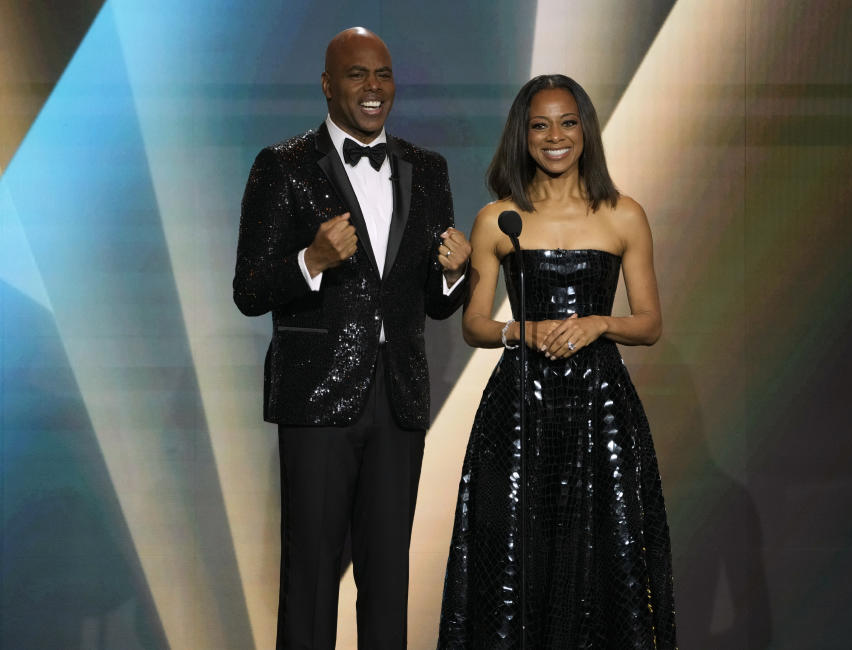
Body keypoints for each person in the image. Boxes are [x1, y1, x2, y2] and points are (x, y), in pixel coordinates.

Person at [233, 27, 470, 649]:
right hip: (316, 401)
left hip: (399, 399)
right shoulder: (281, 166)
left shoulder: (428, 169)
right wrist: (311, 258)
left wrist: (453, 274)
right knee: (311, 576)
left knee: (388, 576)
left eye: (383, 75)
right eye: (357, 75)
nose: (373, 88)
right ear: (327, 85)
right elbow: (249, 290)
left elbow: (438, 304)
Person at [437, 75, 677, 648]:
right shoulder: (499, 218)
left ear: (585, 132)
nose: (554, 136)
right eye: (539, 125)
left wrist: (600, 323)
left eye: (567, 122)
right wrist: (524, 330)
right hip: (519, 411)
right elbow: (473, 324)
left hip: (603, 411)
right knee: (515, 562)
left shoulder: (624, 215)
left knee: (608, 557)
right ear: (522, 136)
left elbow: (650, 323)